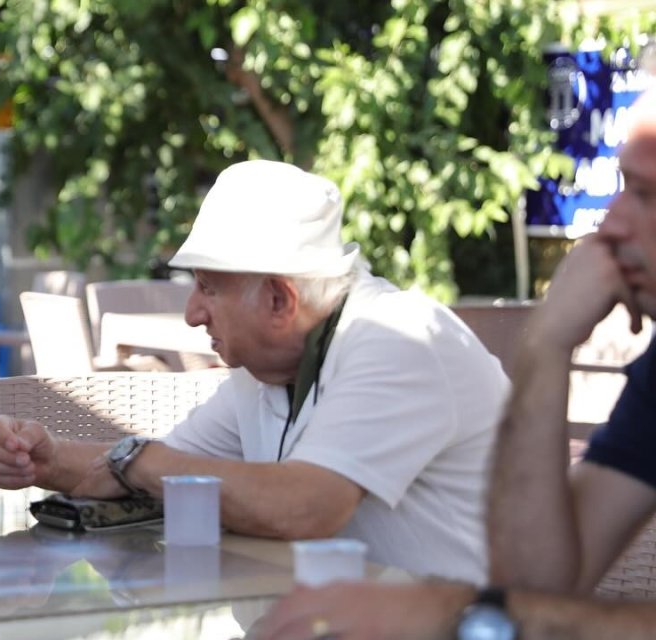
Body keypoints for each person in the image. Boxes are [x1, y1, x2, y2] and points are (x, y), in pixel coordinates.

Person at [0, 159, 509, 583]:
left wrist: (141, 461)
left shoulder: (397, 338)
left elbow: (306, 507)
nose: (191, 313)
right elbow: (161, 471)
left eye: (208, 288)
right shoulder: (267, 371)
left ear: (280, 299)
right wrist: (47, 461)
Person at [253, 95, 656, 640]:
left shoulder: (391, 334)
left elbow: (309, 506)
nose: (612, 224)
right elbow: (540, 586)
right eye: (622, 187)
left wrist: (456, 613)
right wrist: (546, 345)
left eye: (647, 195)